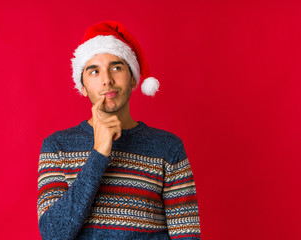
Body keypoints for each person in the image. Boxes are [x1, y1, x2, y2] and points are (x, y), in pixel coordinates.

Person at [37, 21, 201, 240]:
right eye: (94, 71)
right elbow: (53, 234)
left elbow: (187, 235)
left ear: (133, 78)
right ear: (83, 87)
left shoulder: (168, 147)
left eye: (116, 67)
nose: (107, 80)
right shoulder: (57, 146)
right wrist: (99, 154)